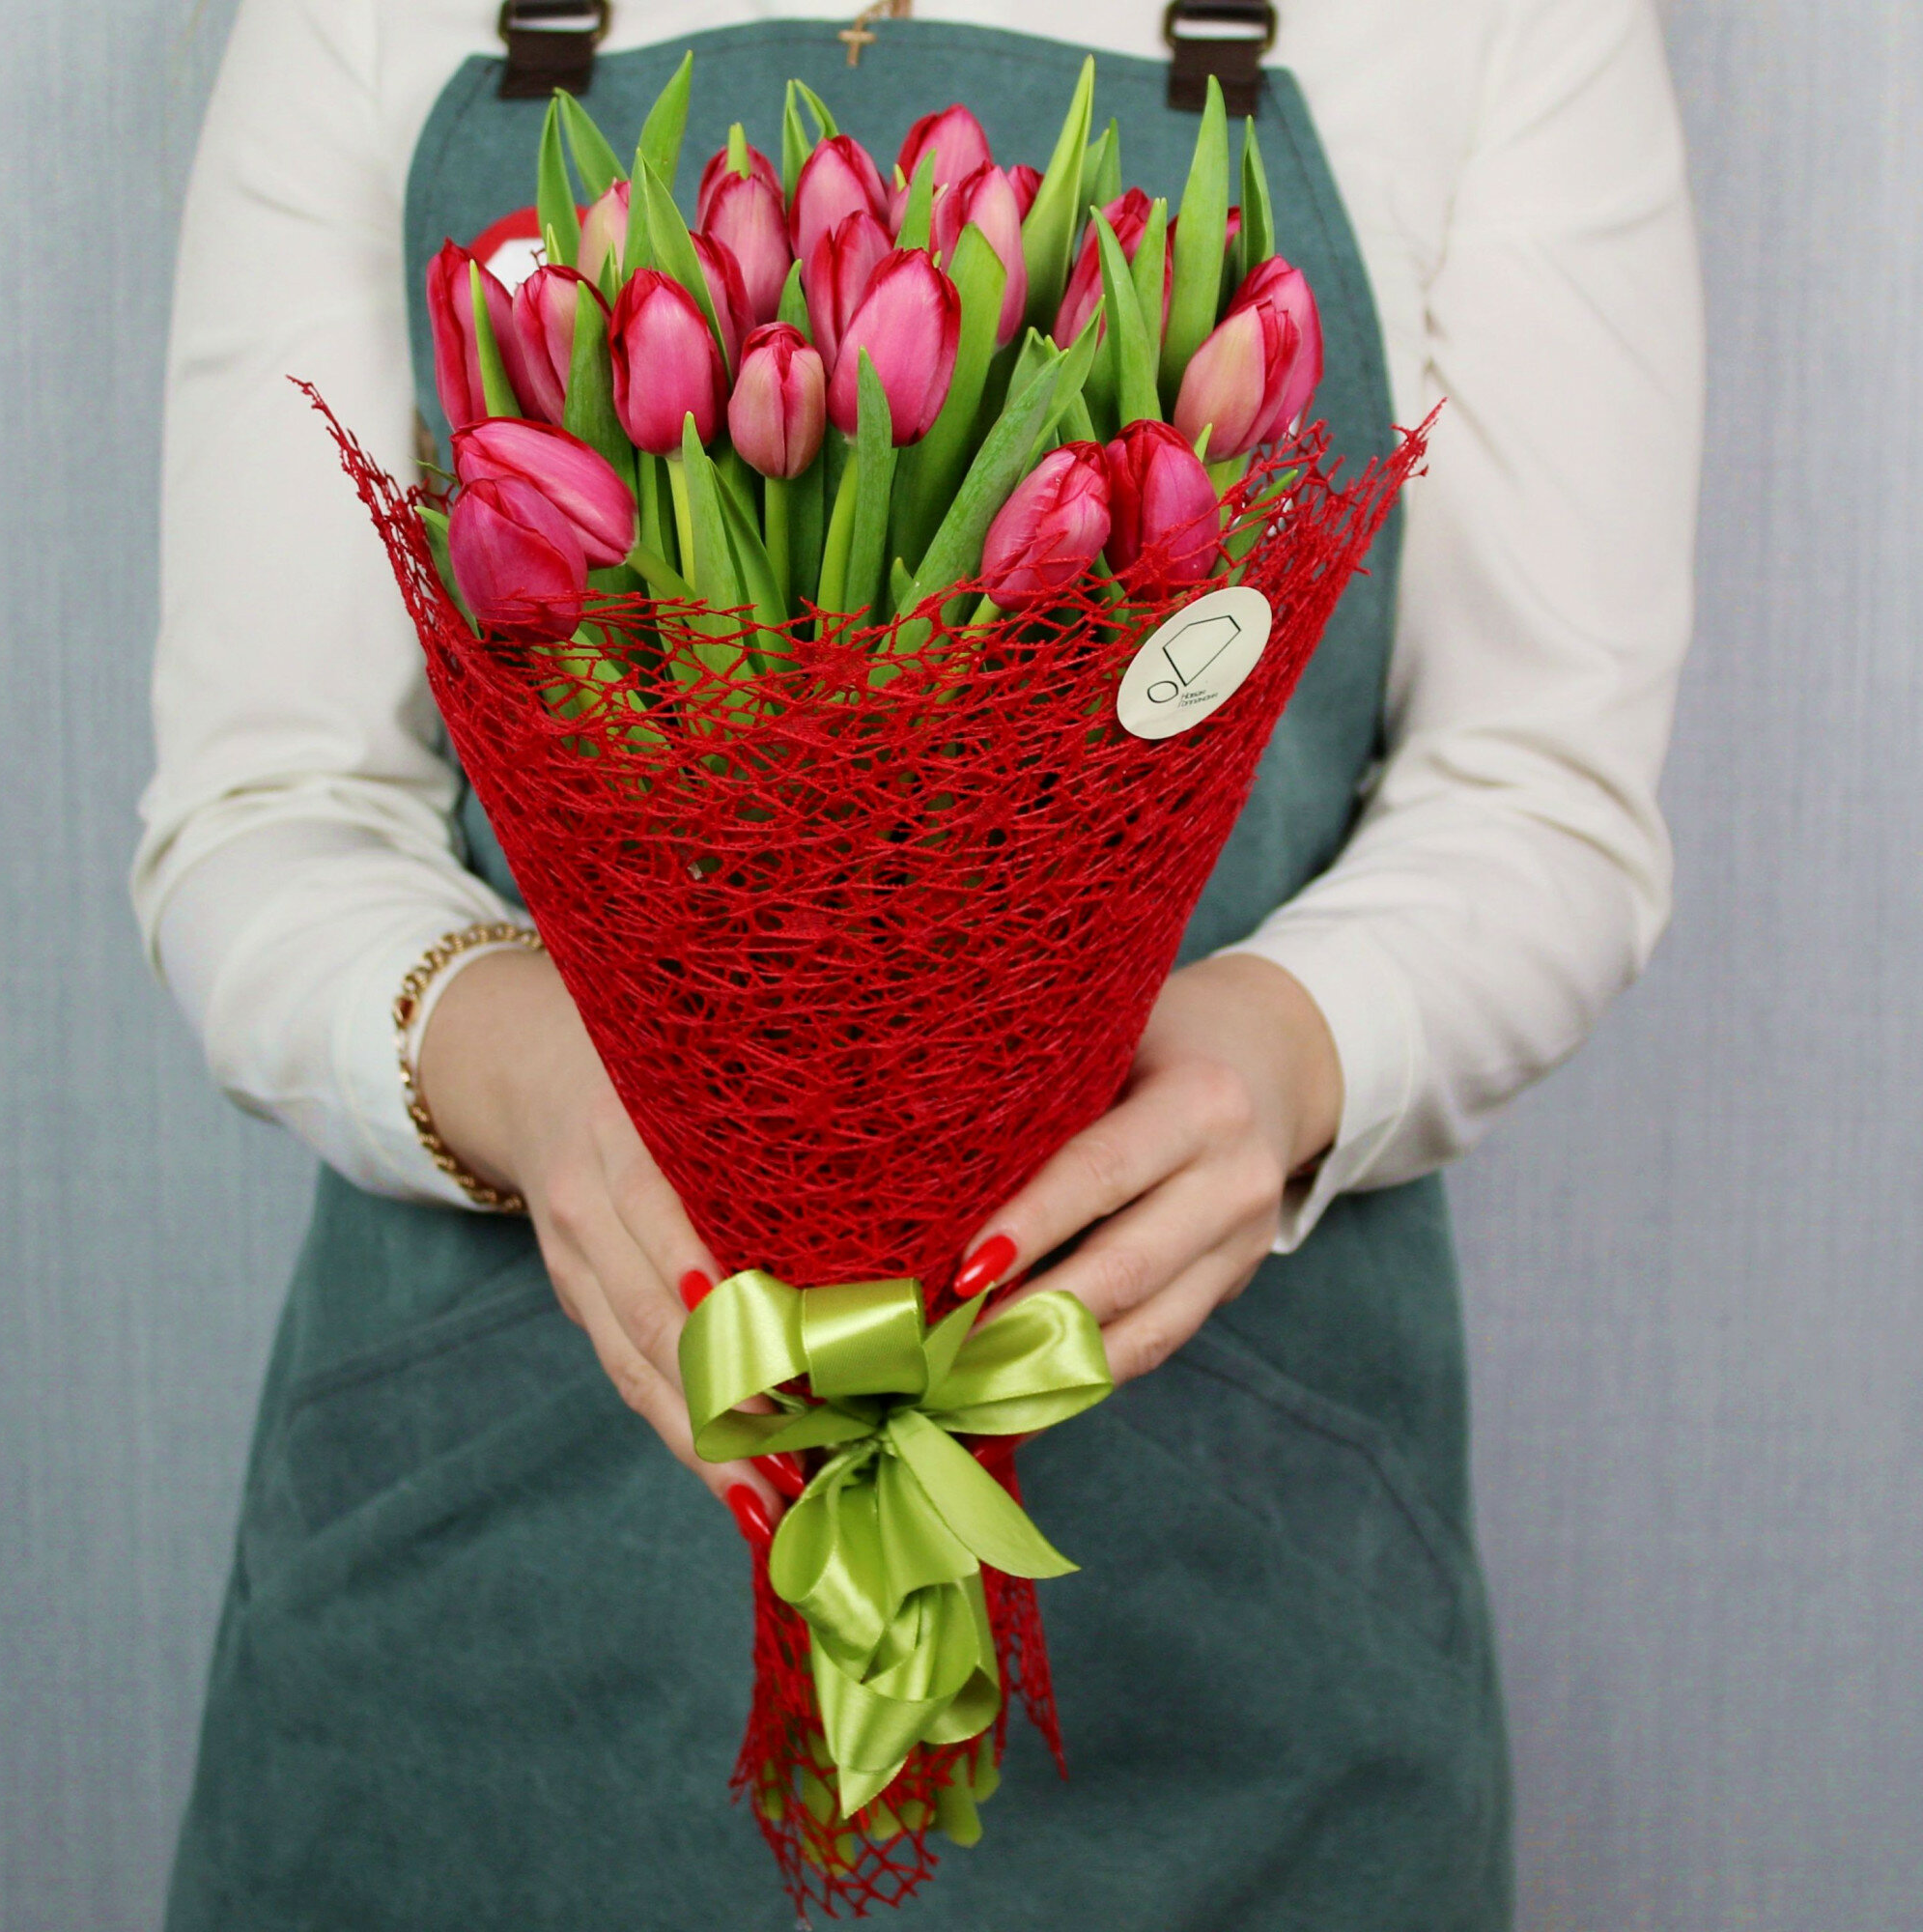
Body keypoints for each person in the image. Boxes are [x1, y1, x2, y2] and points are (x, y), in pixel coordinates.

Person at [135, 0, 1703, 1925]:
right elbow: (262, 802)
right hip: (490, 1560)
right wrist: (519, 1072)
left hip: (1212, 1560)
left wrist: (1292, 1054)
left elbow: (1539, 788)